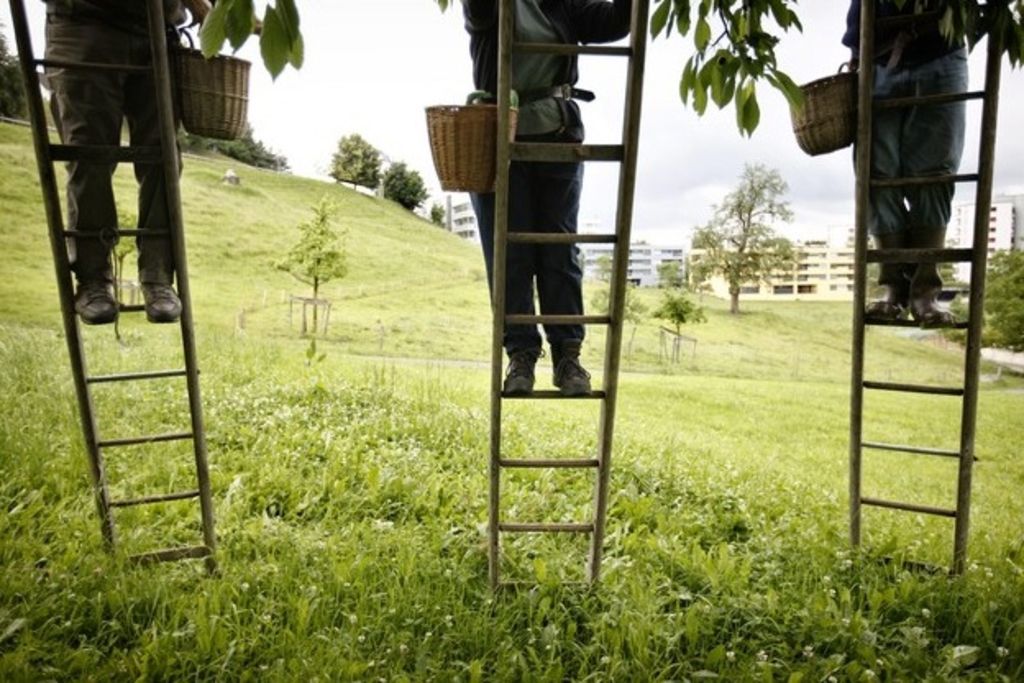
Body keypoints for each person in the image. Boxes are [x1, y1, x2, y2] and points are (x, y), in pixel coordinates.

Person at [462, 0, 631, 396]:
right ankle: (521, 356)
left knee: (559, 250)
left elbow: (616, 22)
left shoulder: (562, 3)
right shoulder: (495, 7)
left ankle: (567, 357)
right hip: (503, 137)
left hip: (557, 136)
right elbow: (477, 12)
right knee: (510, 253)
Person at [43, 0, 210, 325]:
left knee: (163, 159)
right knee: (87, 154)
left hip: (159, 32)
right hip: (83, 22)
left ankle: (158, 277)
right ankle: (93, 280)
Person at [843, 0, 967, 327]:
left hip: (940, 48)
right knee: (875, 176)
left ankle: (925, 290)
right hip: (875, 53)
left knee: (934, 176)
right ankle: (893, 287)